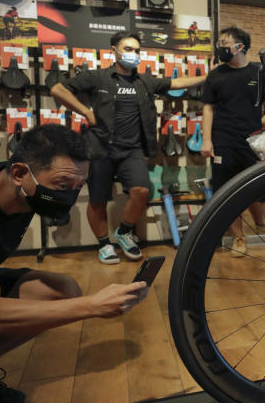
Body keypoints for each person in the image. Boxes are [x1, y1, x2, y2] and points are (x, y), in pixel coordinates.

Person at [0, 125, 147, 403]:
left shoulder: (17, 185)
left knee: (61, 290)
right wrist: (93, 306)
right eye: (62, 185)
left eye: (77, 187)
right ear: (20, 173)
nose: (69, 196)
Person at [50, 31, 206, 264]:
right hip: (100, 147)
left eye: (137, 50)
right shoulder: (97, 77)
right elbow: (58, 90)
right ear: (114, 51)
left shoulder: (145, 81)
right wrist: (85, 111)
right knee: (97, 200)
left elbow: (178, 82)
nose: (134, 54)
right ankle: (104, 245)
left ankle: (123, 232)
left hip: (132, 149)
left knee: (141, 190)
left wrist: (208, 76)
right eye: (128, 49)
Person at [199, 26, 265, 256]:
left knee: (264, 187)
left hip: (254, 140)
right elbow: (207, 109)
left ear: (240, 46)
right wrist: (206, 140)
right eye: (219, 43)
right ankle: (238, 238)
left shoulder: (258, 73)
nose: (221, 47)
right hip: (222, 140)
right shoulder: (215, 75)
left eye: (225, 43)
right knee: (225, 191)